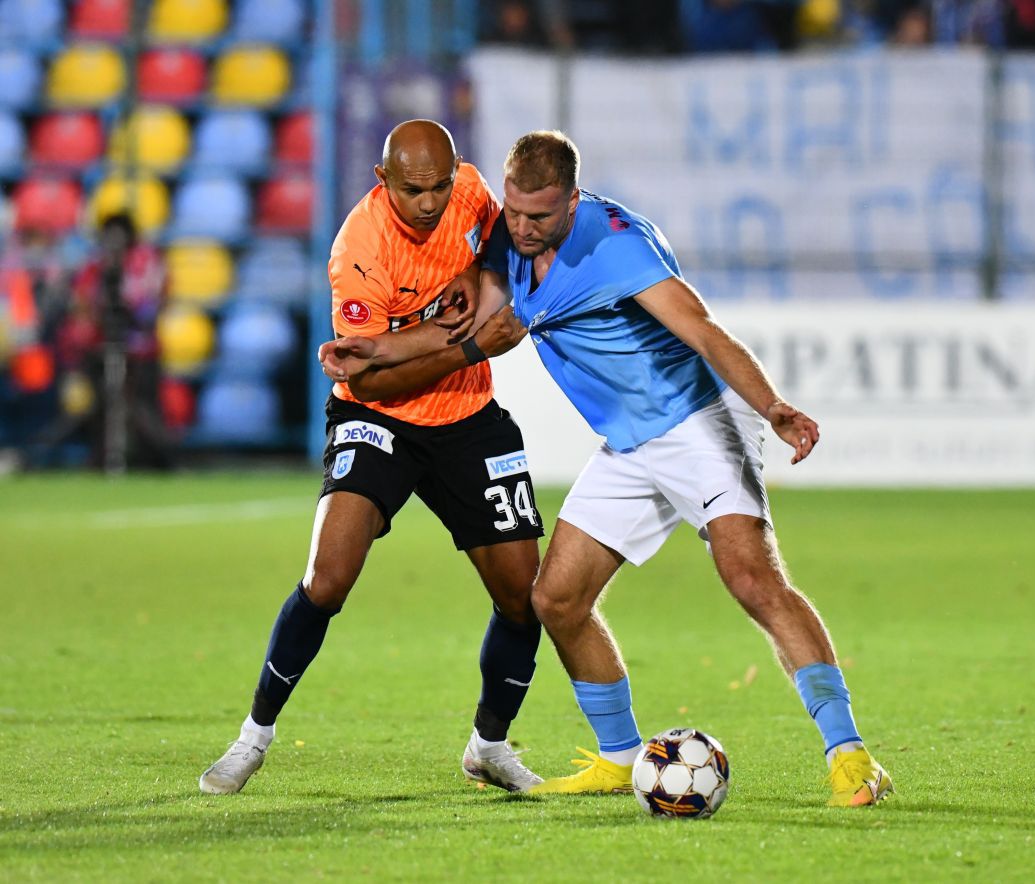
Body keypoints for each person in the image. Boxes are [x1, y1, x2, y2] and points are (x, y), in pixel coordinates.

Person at [322, 130, 893, 807]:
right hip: (629, 448)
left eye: (540, 216)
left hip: (698, 425)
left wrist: (772, 408)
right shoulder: (511, 238)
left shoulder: (617, 247)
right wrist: (372, 353)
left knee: (752, 579)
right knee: (554, 599)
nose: (521, 229)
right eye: (513, 211)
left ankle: (851, 756)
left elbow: (704, 331)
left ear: (571, 201)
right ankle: (622, 758)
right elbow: (464, 319)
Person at [199, 120, 544, 795]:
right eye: (414, 189)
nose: (431, 202)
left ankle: (490, 746)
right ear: (383, 180)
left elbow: (505, 239)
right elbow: (370, 380)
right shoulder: (358, 251)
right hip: (376, 418)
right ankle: (253, 738)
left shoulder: (468, 191)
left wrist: (479, 270)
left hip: (468, 417)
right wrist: (469, 348)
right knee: (326, 580)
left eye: (440, 186)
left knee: (525, 598)